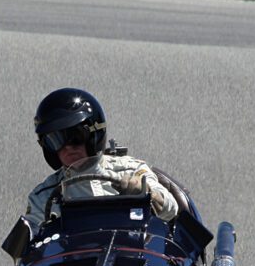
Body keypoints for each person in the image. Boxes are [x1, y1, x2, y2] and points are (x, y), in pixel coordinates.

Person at [23, 88, 178, 231]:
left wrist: (148, 194)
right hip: (72, 259)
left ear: (93, 136)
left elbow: (170, 210)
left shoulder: (131, 170)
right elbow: (29, 252)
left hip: (133, 256)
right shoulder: (44, 196)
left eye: (76, 137)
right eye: (56, 140)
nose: (68, 147)